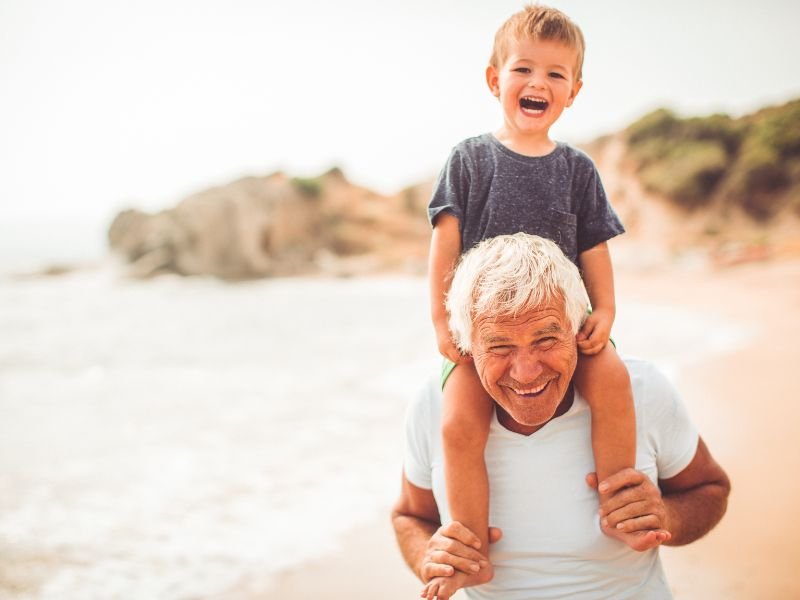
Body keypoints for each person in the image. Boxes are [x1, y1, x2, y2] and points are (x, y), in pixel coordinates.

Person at [395, 234, 730, 599]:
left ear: (577, 329)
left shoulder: (643, 390)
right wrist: (430, 556)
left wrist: (667, 516)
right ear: (466, 346)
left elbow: (710, 490)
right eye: (500, 347)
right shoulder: (434, 406)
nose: (526, 371)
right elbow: (410, 517)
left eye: (545, 340)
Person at [427, 6, 634, 597]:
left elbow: (594, 247)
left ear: (574, 91)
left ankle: (620, 496)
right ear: (495, 80)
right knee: (459, 422)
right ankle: (467, 541)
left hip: (558, 328)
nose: (538, 84)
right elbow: (444, 242)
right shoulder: (471, 159)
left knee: (614, 378)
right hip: (485, 335)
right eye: (524, 69)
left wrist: (607, 313)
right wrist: (443, 321)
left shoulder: (577, 169)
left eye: (556, 74)